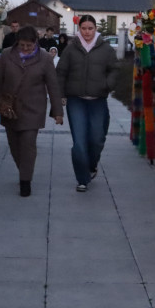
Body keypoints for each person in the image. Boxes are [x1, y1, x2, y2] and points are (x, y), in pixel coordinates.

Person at [0, 25, 64, 196]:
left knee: (28, 144)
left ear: (36, 43)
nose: (26, 49)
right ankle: (24, 170)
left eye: (29, 45)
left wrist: (58, 112)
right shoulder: (7, 55)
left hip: (33, 108)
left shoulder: (45, 58)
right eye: (22, 45)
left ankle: (25, 180)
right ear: (17, 43)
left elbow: (53, 86)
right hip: (10, 108)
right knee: (15, 146)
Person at [56, 14, 118, 192]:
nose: (87, 32)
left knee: (97, 138)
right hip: (76, 101)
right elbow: (61, 72)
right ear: (79, 29)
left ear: (95, 29)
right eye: (84, 28)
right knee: (80, 142)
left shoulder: (105, 49)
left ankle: (91, 164)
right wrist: (61, 94)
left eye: (90, 28)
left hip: (98, 100)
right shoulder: (71, 49)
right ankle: (82, 178)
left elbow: (114, 69)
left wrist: (108, 85)